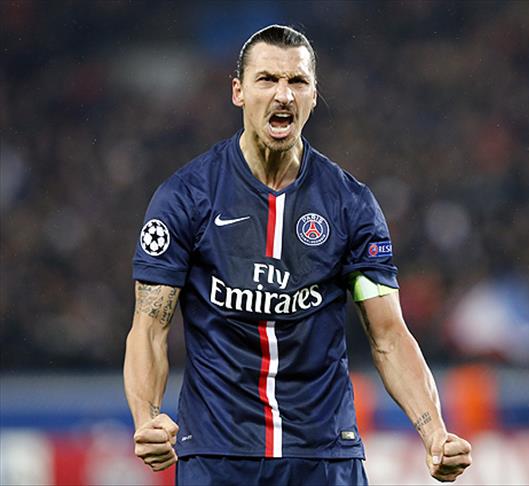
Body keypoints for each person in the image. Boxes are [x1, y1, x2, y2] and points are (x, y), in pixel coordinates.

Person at [123, 24, 472, 484]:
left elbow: (389, 334)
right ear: (238, 91)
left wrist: (434, 432)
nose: (283, 95)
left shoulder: (350, 204)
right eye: (267, 79)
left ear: (313, 95)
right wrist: (146, 418)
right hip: (217, 456)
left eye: (297, 81)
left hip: (324, 456)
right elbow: (149, 328)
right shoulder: (186, 198)